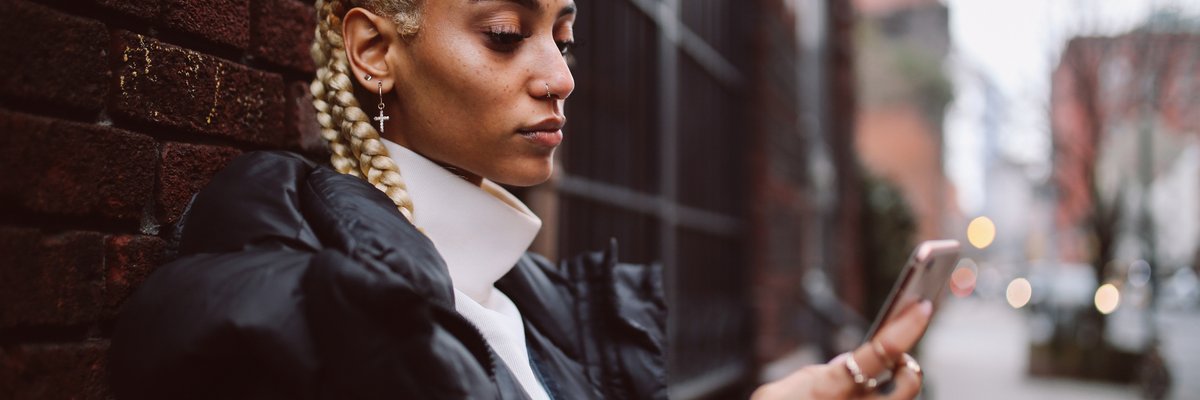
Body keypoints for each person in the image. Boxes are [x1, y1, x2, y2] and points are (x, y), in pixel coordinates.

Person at [109, 1, 932, 399]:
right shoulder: (296, 286)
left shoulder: (528, 295)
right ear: (373, 50)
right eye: (505, 34)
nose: (561, 77)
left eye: (563, 36)